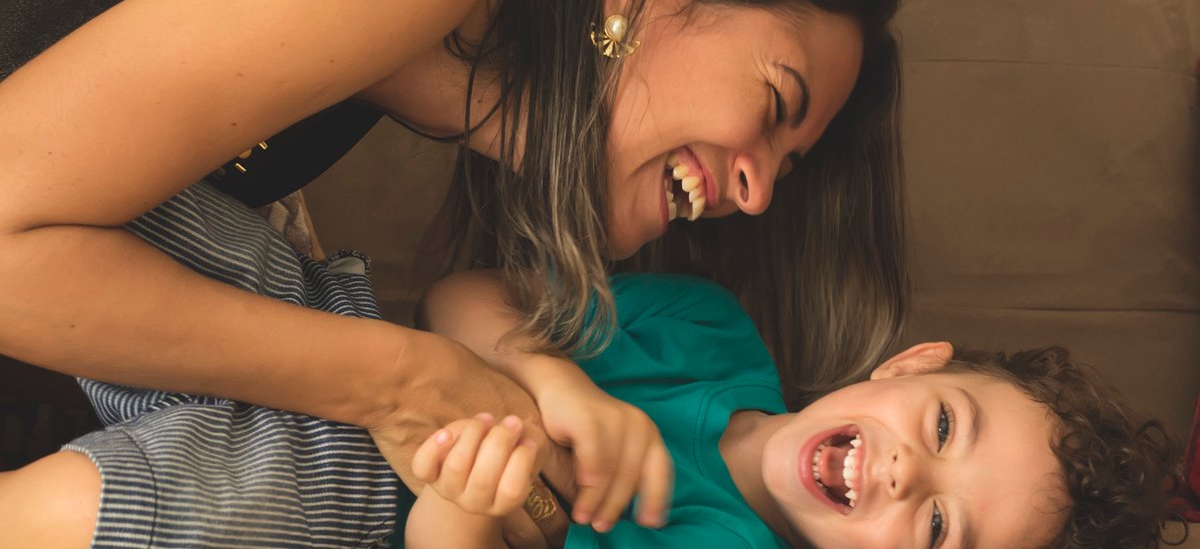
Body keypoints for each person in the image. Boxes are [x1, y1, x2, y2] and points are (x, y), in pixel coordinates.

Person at [0, 0, 905, 544]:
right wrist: (405, 382)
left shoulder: (418, 62)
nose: (756, 195)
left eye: (784, 169)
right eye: (775, 104)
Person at [407, 271, 1181, 548]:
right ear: (911, 364)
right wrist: (555, 383)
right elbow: (459, 295)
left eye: (938, 529)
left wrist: (459, 510)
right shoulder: (707, 326)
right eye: (944, 426)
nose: (906, 472)